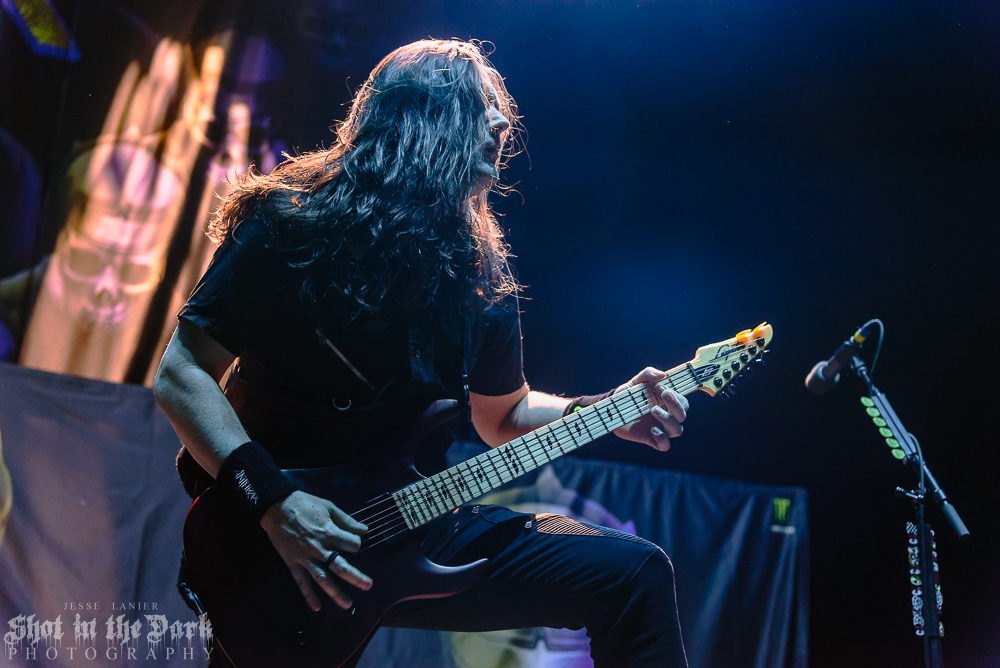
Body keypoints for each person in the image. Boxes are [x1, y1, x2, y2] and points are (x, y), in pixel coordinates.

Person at [154, 39, 690, 667]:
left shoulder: (477, 274)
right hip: (276, 537)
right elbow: (182, 371)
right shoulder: (289, 224)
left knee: (632, 575)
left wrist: (606, 410)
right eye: (478, 105)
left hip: (417, 524)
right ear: (419, 117)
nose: (501, 122)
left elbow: (502, 416)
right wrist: (275, 503)